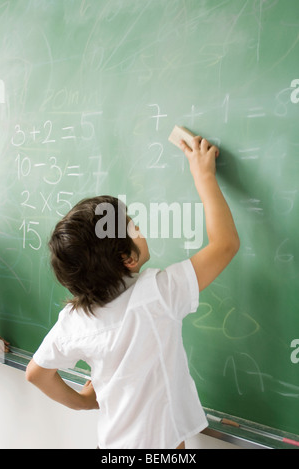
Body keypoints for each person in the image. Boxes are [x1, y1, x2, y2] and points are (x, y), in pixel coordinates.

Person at [26, 136, 240, 449]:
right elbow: (225, 244)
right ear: (128, 258)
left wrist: (83, 402)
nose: (138, 227)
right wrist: (203, 174)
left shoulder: (75, 318)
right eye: (132, 225)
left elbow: (36, 373)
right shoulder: (158, 294)